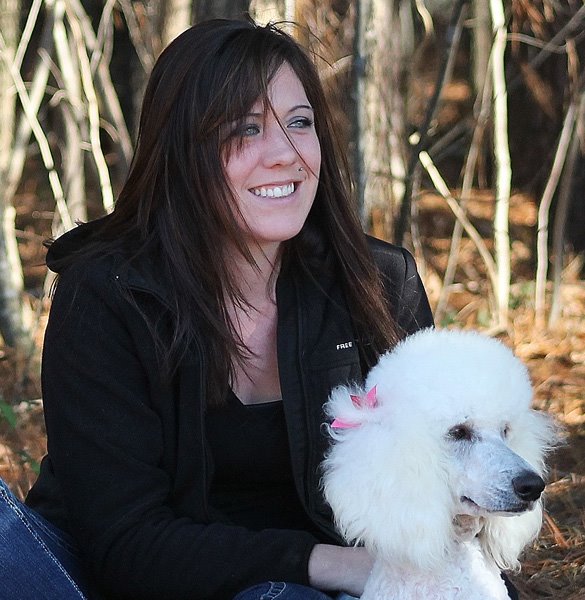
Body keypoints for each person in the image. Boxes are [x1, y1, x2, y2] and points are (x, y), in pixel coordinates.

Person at [0, 17, 516, 600]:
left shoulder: (376, 282)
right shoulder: (110, 292)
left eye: (300, 123)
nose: (285, 155)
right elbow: (125, 541)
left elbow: (454, 478)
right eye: (245, 129)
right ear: (181, 150)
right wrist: (335, 565)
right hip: (106, 581)